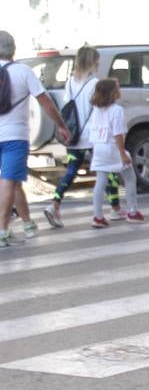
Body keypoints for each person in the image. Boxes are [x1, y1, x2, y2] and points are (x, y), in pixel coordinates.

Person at [1, 30, 70, 248]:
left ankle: (29, 224)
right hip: (15, 136)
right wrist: (60, 124)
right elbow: (45, 102)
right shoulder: (23, 71)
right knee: (8, 181)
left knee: (14, 181)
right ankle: (2, 230)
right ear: (13, 49)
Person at [44, 45, 119, 227]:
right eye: (97, 60)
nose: (99, 63)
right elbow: (98, 108)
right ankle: (116, 208)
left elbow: (68, 105)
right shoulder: (95, 84)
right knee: (107, 170)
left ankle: (55, 204)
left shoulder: (70, 82)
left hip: (73, 134)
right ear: (92, 62)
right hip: (93, 135)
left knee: (71, 171)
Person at [85, 78, 147, 227]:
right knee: (130, 178)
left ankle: (97, 216)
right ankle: (132, 211)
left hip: (98, 147)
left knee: (101, 181)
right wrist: (122, 153)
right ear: (112, 93)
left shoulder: (97, 109)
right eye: (118, 88)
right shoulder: (117, 110)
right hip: (113, 147)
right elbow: (118, 133)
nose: (120, 90)